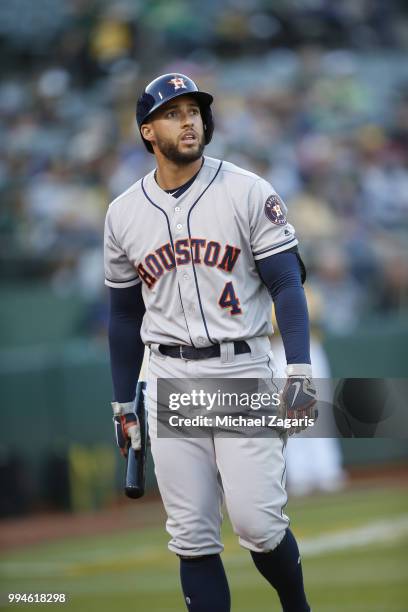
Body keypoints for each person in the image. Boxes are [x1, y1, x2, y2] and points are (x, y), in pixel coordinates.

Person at [104, 73, 316, 612]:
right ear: (148, 131)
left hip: (241, 368)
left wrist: (299, 372)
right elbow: (124, 318)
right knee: (192, 535)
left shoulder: (248, 190)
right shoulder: (124, 213)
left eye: (194, 110)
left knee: (258, 523)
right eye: (173, 113)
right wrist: (123, 403)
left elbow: (287, 287)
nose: (189, 120)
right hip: (170, 376)